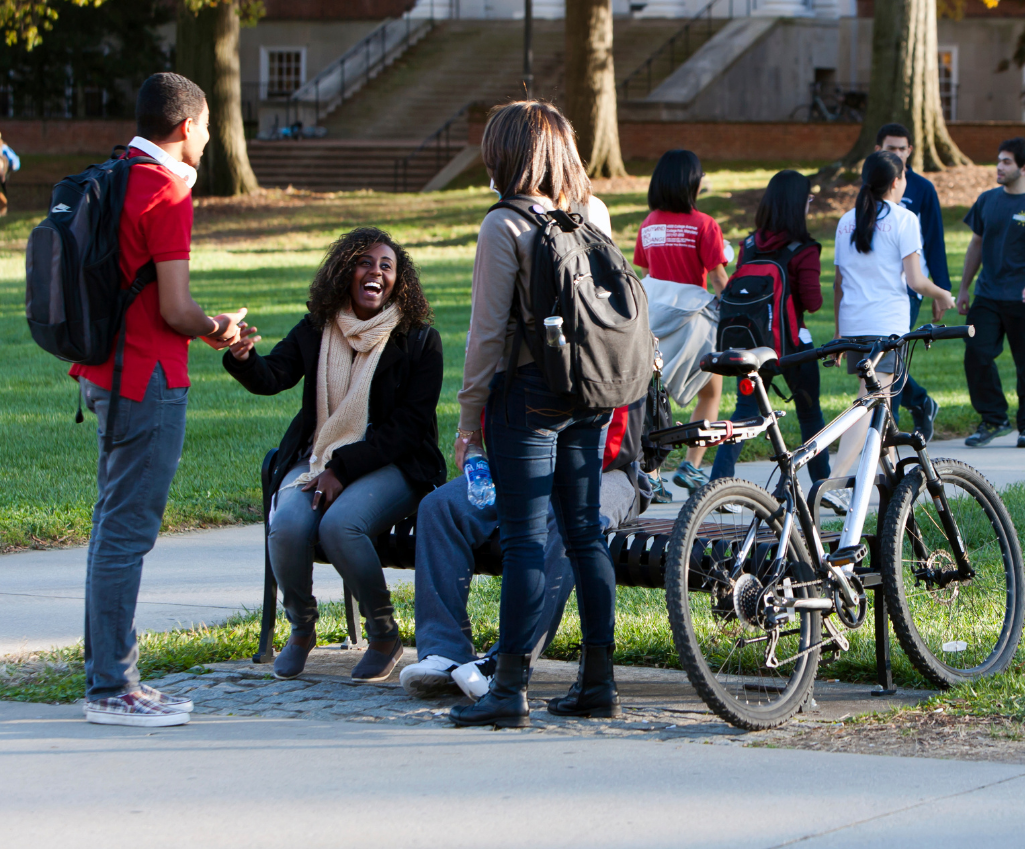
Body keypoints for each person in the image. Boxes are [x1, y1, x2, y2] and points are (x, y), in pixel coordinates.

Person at [72, 72, 248, 727]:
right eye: (205, 127)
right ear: (185, 127)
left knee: (110, 528)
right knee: (125, 533)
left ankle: (106, 678)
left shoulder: (116, 174)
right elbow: (175, 307)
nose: (207, 138)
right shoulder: (168, 190)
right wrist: (219, 328)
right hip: (146, 378)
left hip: (104, 372)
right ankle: (112, 689)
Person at [450, 99, 619, 728]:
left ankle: (509, 688)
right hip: (590, 392)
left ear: (508, 154)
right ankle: (597, 682)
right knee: (584, 533)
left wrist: (469, 420)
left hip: (526, 395)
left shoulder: (505, 225)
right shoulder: (593, 212)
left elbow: (486, 335)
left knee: (524, 539)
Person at [223, 228, 445, 683]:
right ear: (346, 272)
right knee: (286, 524)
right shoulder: (317, 328)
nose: (376, 272)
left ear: (398, 280)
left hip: (396, 464)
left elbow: (408, 428)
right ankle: (302, 627)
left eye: (387, 265)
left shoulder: (419, 340)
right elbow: (273, 376)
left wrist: (343, 469)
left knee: (341, 526)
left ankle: (383, 632)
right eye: (366, 262)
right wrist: (244, 357)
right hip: (321, 457)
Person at [400, 401, 649, 700]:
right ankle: (445, 650)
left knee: (568, 519)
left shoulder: (605, 354)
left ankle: (508, 663)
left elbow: (614, 442)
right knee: (440, 507)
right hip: (527, 462)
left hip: (606, 470)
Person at [828, 150, 955, 508]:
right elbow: (916, 281)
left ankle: (896, 490)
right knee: (869, 404)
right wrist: (942, 294)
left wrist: (839, 336)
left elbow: (838, 284)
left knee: (878, 409)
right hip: (887, 328)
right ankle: (837, 482)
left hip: (854, 325)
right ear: (897, 182)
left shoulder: (845, 222)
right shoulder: (904, 219)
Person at [710, 170, 830, 485]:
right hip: (792, 344)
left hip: (751, 341)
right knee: (809, 414)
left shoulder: (749, 244)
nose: (810, 204)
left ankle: (719, 480)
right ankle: (822, 485)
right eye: (809, 199)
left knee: (746, 413)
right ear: (798, 204)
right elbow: (813, 302)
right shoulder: (804, 249)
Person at [959, 138, 1025, 449]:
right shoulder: (987, 200)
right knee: (976, 354)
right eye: (999, 160)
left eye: (1006, 162)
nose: (999, 167)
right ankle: (993, 419)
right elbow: (976, 244)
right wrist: (965, 287)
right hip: (989, 294)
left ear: (1024, 168)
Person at [633, 149, 729, 491]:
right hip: (693, 326)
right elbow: (718, 278)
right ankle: (690, 465)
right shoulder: (704, 225)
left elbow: (646, 273)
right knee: (710, 394)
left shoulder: (648, 225)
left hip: (654, 323)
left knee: (655, 401)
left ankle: (652, 476)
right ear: (691, 182)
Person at [875, 123, 951, 442]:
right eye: (889, 148)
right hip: (875, 286)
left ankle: (886, 429)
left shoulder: (920, 188)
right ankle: (920, 401)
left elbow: (934, 241)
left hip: (909, 287)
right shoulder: (869, 189)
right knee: (877, 360)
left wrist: (940, 290)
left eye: (901, 148)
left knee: (889, 356)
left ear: (910, 151)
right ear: (877, 149)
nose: (896, 153)